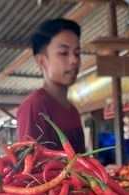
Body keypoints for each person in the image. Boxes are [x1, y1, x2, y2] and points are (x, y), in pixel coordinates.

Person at [16, 18, 85, 153]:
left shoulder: (73, 110)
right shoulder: (34, 106)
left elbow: (81, 164)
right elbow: (30, 171)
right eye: (63, 53)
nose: (74, 60)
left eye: (77, 53)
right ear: (42, 61)